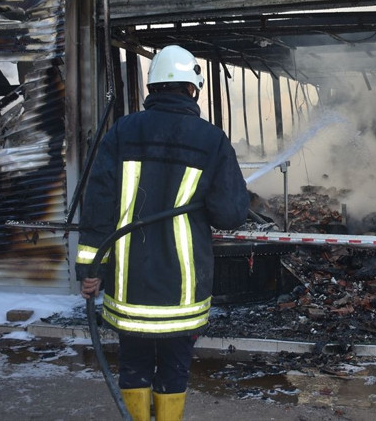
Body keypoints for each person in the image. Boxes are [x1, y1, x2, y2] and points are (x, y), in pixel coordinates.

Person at [75, 45, 249, 421]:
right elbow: (232, 214)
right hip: (183, 289)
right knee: (174, 368)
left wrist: (89, 271)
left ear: (152, 88)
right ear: (193, 89)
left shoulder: (121, 132)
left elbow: (98, 207)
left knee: (134, 363)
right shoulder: (212, 139)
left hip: (129, 285)